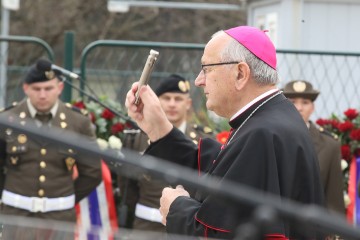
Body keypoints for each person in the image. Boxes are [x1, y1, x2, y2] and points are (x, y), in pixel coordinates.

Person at [125, 26, 324, 239]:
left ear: (240, 73)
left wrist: (176, 208)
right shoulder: (270, 118)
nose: (199, 80)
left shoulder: (262, 133)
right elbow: (221, 174)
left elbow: (228, 233)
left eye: (207, 68)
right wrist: (159, 129)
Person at [0, 59, 102, 225]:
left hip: (59, 217)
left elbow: (92, 172)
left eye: (48, 88)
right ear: (25, 88)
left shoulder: (78, 122)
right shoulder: (6, 120)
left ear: (60, 88)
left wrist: (64, 199)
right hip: (16, 216)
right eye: (36, 89)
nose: (42, 95)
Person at [121, 74, 214, 232]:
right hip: (146, 227)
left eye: (178, 99)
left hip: (186, 228)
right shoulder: (137, 137)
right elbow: (127, 185)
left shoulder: (204, 140)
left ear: (188, 103)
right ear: (157, 101)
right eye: (167, 98)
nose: (172, 104)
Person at [283, 80, 345, 215]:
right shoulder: (271, 137)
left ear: (313, 107)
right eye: (293, 102)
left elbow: (334, 197)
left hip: (312, 226)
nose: (299, 108)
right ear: (283, 106)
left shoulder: (329, 145)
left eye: (305, 102)